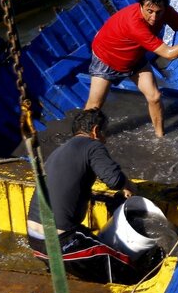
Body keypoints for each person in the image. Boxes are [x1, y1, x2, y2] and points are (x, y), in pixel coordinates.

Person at [85, 0, 178, 137]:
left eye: (158, 12)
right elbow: (169, 54)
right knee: (94, 106)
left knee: (155, 97)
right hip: (107, 57)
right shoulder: (135, 24)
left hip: (134, 57)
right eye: (149, 11)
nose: (154, 17)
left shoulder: (165, 11)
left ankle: (160, 135)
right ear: (141, 6)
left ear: (165, 8)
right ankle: (84, 138)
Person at [27, 108, 138, 284]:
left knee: (92, 246)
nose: (105, 138)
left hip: (35, 242)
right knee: (129, 267)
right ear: (95, 131)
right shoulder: (93, 146)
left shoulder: (59, 151)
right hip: (62, 243)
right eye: (104, 133)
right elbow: (114, 180)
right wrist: (128, 185)